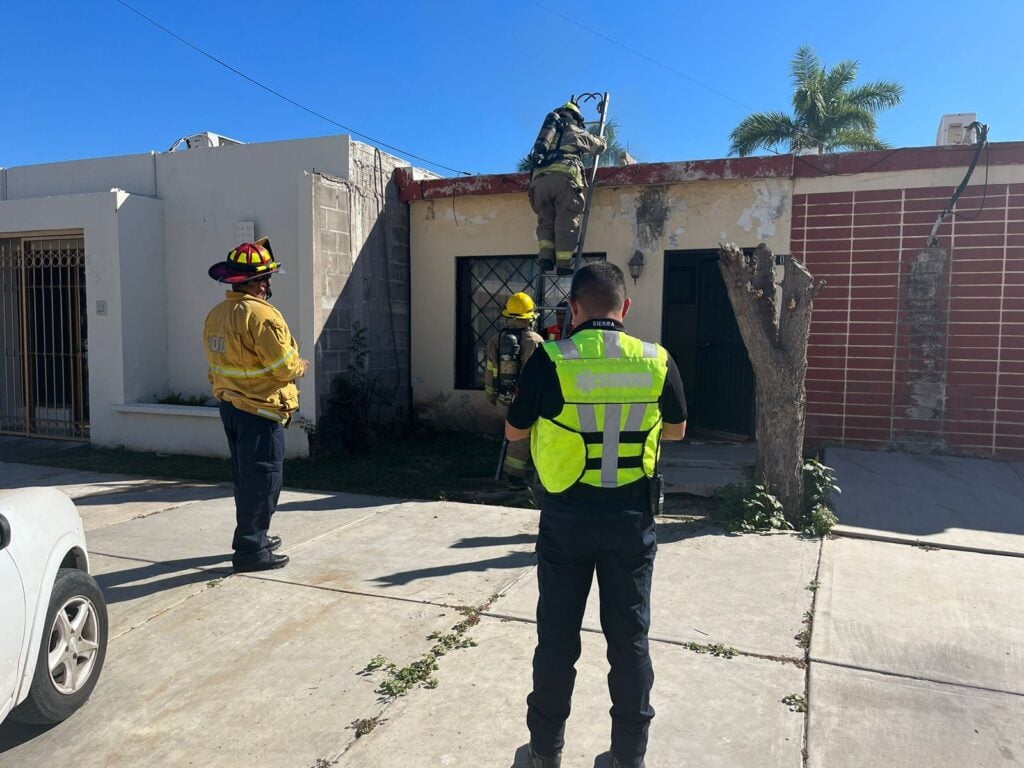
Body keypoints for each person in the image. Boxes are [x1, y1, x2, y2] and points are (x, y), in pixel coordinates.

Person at [505, 262, 687, 768]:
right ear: (624, 307)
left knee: (557, 639)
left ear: (575, 308)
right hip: (631, 517)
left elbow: (514, 432)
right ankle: (629, 757)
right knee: (629, 640)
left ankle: (545, 751)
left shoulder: (550, 360)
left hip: (567, 516)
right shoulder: (656, 359)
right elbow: (676, 430)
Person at [204, 238, 309, 573]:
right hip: (260, 410)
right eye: (267, 279)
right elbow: (284, 366)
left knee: (245, 477)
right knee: (264, 479)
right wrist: (301, 365)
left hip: (231, 407)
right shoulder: (262, 316)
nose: (268, 285)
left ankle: (252, 535)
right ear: (259, 282)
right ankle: (252, 550)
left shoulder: (217, 314)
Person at [528, 101, 608, 275]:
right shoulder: (573, 131)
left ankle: (546, 256)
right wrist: (602, 140)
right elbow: (598, 147)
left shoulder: (548, 134)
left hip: (539, 183)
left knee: (546, 221)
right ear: (576, 118)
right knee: (566, 221)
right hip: (563, 181)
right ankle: (563, 264)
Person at [485, 292, 545, 489]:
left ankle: (511, 471)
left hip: (503, 398)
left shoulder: (496, 339)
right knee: (523, 437)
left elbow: (490, 370)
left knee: (513, 436)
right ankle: (515, 477)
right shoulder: (536, 341)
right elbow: (539, 376)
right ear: (530, 317)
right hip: (525, 400)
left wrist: (492, 395)